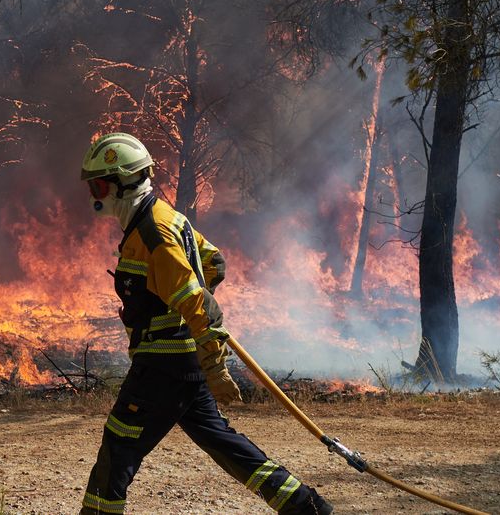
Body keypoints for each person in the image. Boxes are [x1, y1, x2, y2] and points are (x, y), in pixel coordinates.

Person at [78, 132, 333, 514]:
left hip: (163, 367)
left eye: (98, 184)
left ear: (122, 183)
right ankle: (303, 506)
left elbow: (200, 304)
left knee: (119, 446)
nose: (94, 193)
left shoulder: (154, 233)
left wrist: (213, 362)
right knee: (223, 443)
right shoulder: (164, 218)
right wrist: (182, 311)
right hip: (182, 364)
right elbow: (213, 262)